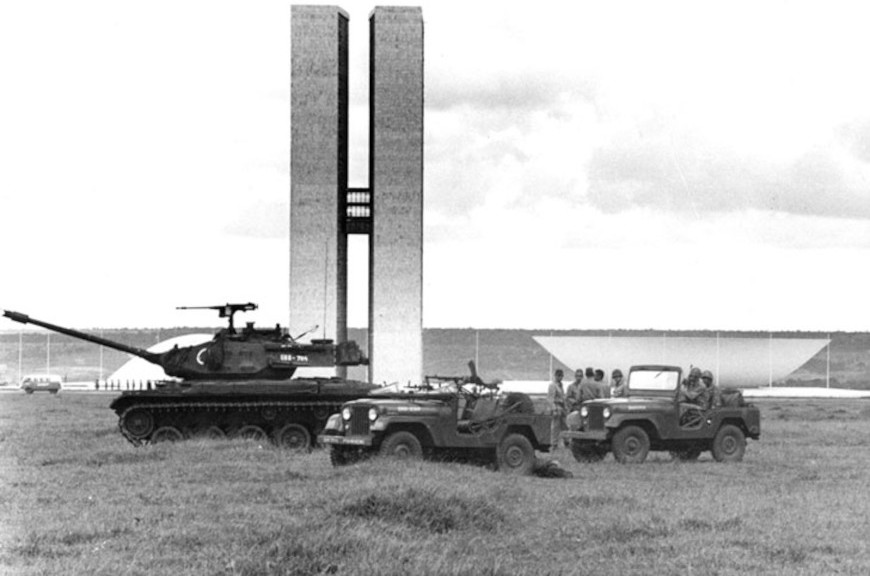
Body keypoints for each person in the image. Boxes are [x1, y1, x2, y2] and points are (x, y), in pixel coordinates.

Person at [547, 369, 567, 448]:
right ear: (555, 376)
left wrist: (565, 407)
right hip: (556, 406)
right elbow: (550, 398)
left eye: (561, 376)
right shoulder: (552, 385)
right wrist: (554, 409)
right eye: (558, 375)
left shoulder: (561, 385)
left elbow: (563, 397)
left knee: (565, 425)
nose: (559, 377)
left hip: (562, 407)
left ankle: (567, 442)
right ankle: (554, 444)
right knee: (555, 427)